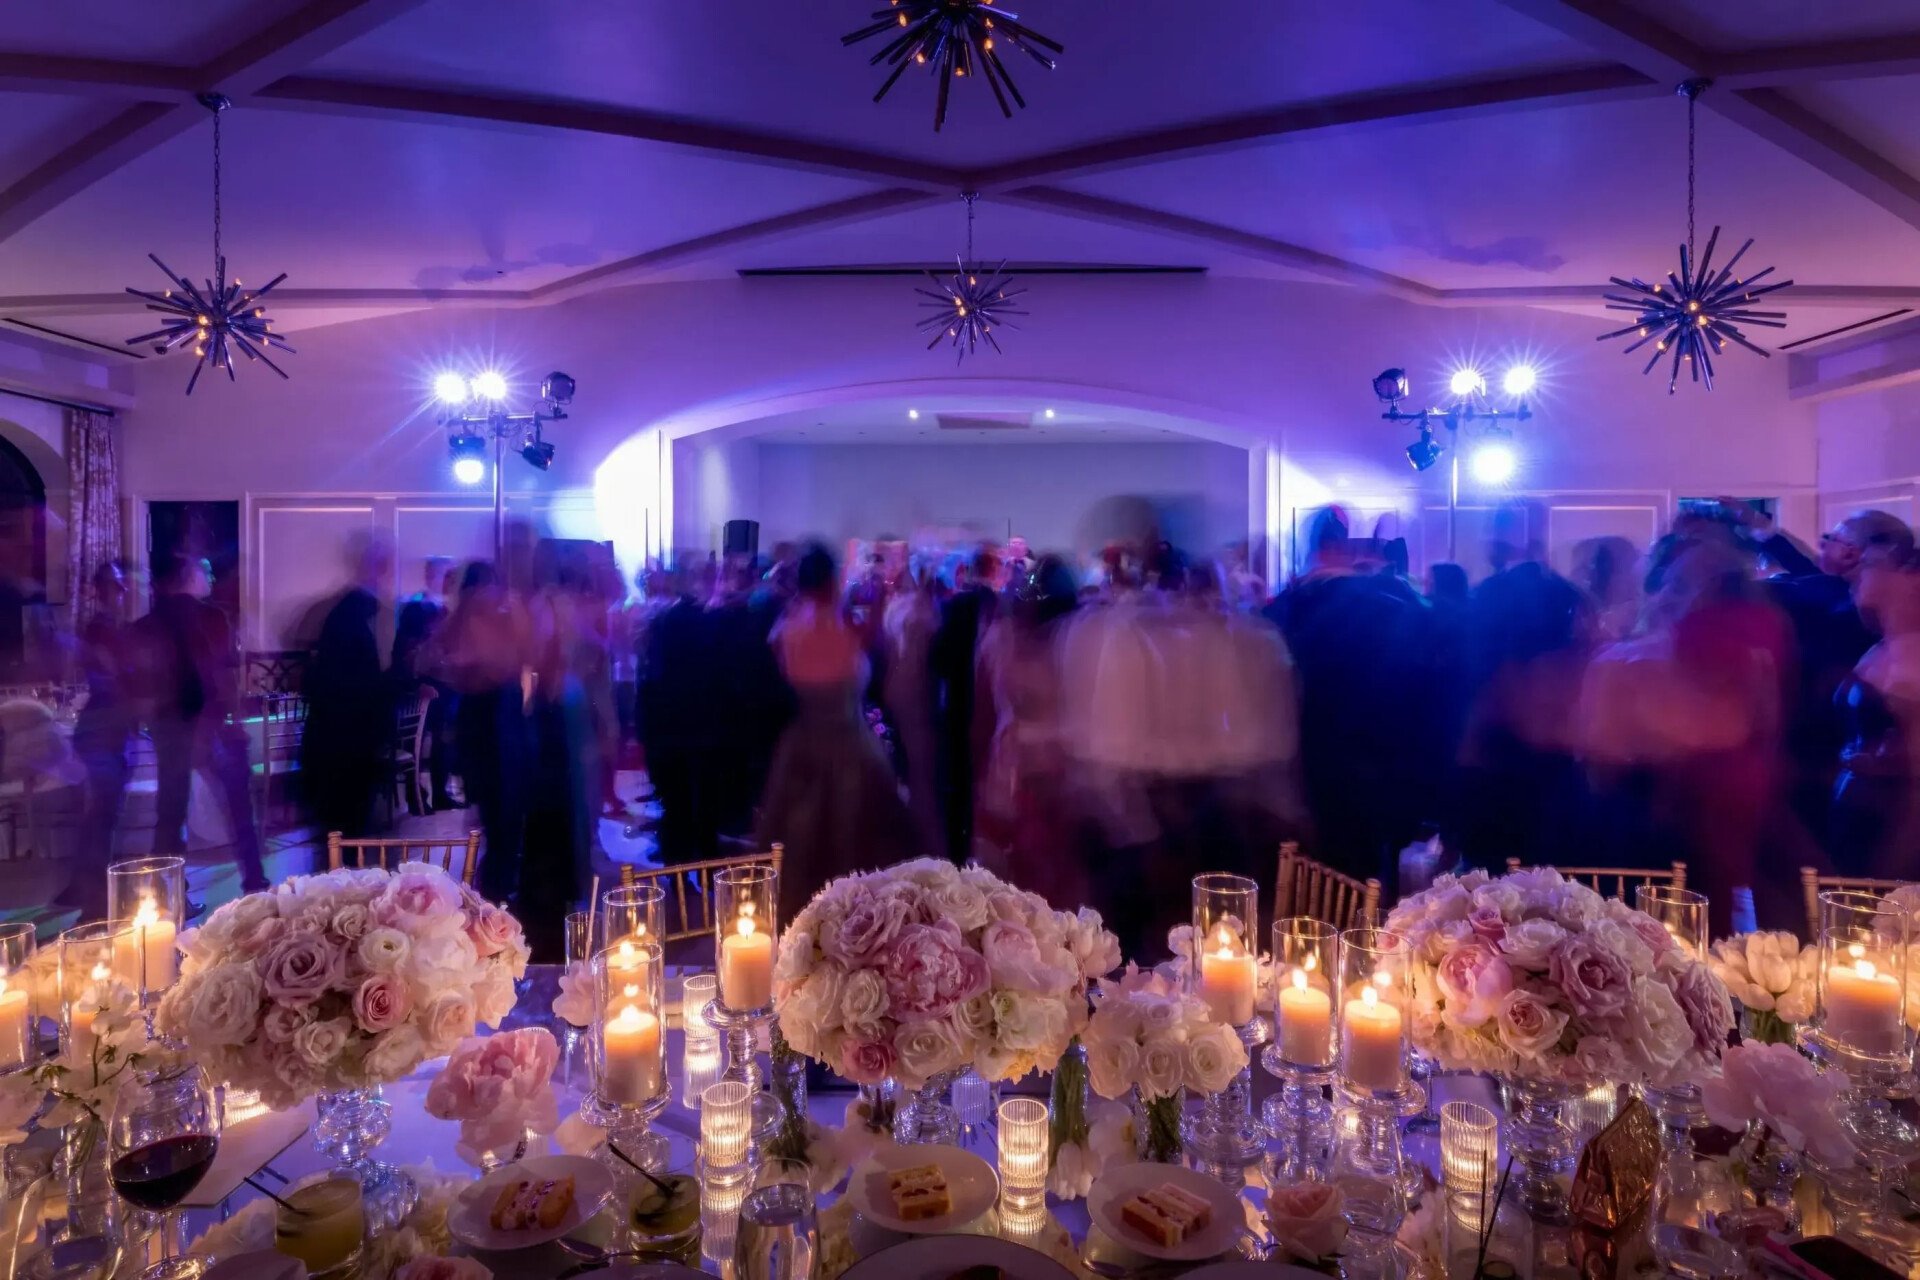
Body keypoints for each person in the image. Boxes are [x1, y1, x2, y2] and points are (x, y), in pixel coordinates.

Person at [757, 543, 921, 919]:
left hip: (803, 741)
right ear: (831, 581)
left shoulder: (787, 627)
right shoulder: (844, 626)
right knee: (857, 839)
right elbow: (875, 655)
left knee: (798, 842)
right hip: (850, 743)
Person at [131, 551, 267, 892]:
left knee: (170, 813)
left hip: (169, 727)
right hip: (213, 724)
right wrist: (233, 722)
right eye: (201, 572)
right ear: (187, 576)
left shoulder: (145, 626)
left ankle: (167, 894)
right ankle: (254, 882)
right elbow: (224, 676)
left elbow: (143, 687)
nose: (208, 578)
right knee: (239, 810)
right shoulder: (213, 618)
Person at [442, 561, 532, 901]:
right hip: (490, 723)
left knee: (502, 816)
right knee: (501, 814)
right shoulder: (473, 622)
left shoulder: (472, 620)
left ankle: (496, 888)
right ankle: (494, 895)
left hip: (492, 720)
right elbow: (495, 666)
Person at [300, 534, 394, 838]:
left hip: (335, 740)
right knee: (345, 834)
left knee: (340, 834)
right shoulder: (357, 613)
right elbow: (358, 683)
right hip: (347, 743)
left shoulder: (337, 610)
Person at [63, 561, 133, 917]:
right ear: (100, 590)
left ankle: (81, 888)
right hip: (104, 733)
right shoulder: (102, 629)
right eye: (116, 587)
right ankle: (93, 904)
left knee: (99, 814)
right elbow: (110, 677)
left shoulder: (107, 628)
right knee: (103, 814)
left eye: (122, 587)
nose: (123, 593)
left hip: (107, 731)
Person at [930, 544, 1000, 861]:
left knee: (957, 788)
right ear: (994, 570)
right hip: (992, 713)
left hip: (959, 706)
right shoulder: (1001, 605)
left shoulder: (955, 605)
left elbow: (938, 659)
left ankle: (956, 859)